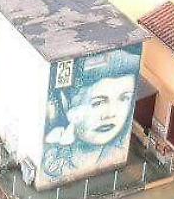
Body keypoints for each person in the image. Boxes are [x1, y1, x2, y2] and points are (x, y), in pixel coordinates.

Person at [41, 47, 141, 184]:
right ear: (66, 102)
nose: (110, 114)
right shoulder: (51, 152)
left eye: (124, 98)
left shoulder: (116, 153)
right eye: (98, 103)